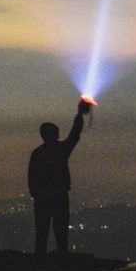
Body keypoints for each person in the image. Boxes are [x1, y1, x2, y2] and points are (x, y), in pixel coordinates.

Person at [29, 98, 89, 256]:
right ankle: (60, 259)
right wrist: (79, 114)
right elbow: (75, 134)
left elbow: (31, 178)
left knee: (42, 233)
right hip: (58, 196)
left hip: (43, 198)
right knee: (60, 231)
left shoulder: (37, 153)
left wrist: (37, 193)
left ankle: (40, 260)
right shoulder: (60, 150)